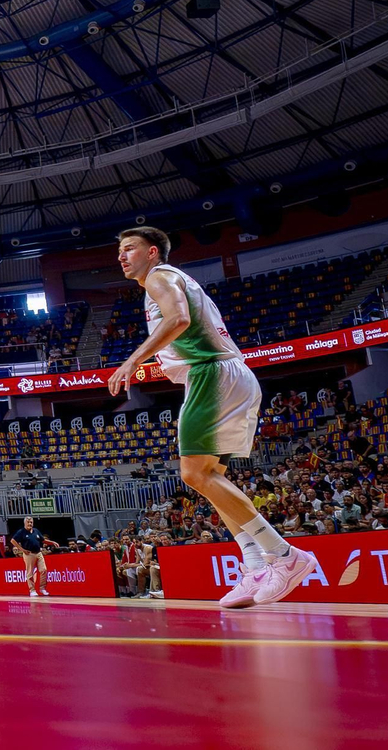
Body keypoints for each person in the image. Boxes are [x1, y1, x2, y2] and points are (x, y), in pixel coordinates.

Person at [109, 226, 319, 608]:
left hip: (211, 374)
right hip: (226, 373)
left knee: (193, 474)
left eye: (130, 249)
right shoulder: (166, 281)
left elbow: (178, 320)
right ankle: (255, 565)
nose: (122, 256)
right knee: (211, 478)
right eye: (120, 251)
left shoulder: (161, 276)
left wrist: (132, 360)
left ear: (153, 252)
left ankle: (287, 556)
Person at [11, 515, 48, 597]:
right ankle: (32, 590)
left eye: (31, 522)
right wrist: (22, 550)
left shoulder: (36, 531)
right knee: (30, 573)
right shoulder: (21, 532)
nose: (30, 523)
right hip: (29, 554)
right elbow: (13, 540)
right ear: (25, 523)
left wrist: (52, 542)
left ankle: (42, 588)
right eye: (28, 522)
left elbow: (43, 540)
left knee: (43, 570)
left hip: (38, 553)